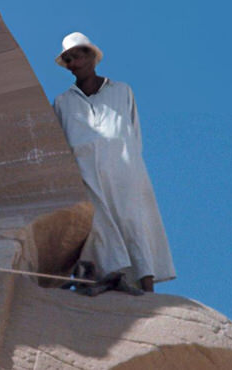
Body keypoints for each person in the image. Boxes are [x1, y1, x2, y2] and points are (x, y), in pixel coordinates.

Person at [52, 32, 175, 293]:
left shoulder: (121, 91)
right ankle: (107, 278)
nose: (73, 62)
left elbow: (133, 132)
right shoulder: (63, 103)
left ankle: (147, 288)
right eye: (68, 58)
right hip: (84, 171)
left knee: (134, 222)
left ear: (91, 56)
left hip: (123, 168)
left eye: (77, 55)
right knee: (96, 225)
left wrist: (129, 162)